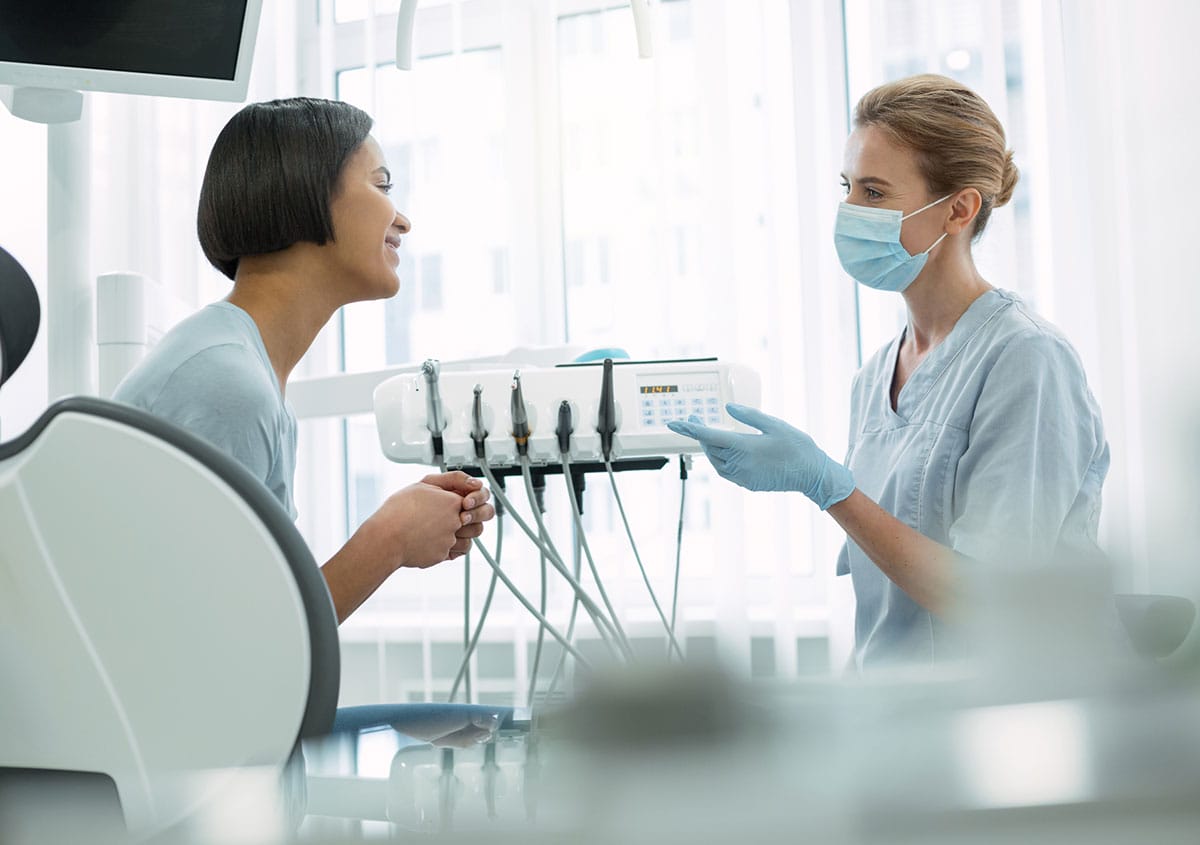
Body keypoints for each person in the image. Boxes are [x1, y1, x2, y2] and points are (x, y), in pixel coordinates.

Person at [668, 75, 1109, 669]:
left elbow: (994, 599)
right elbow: (886, 612)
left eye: (874, 193)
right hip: (896, 715)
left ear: (958, 209)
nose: (849, 212)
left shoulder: (1026, 359)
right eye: (847, 188)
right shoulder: (876, 376)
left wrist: (831, 488)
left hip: (1004, 718)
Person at [115, 97, 495, 625]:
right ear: (305, 190)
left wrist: (400, 531)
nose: (402, 219)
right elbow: (238, 645)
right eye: (381, 185)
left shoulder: (240, 368)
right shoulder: (224, 383)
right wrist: (389, 540)